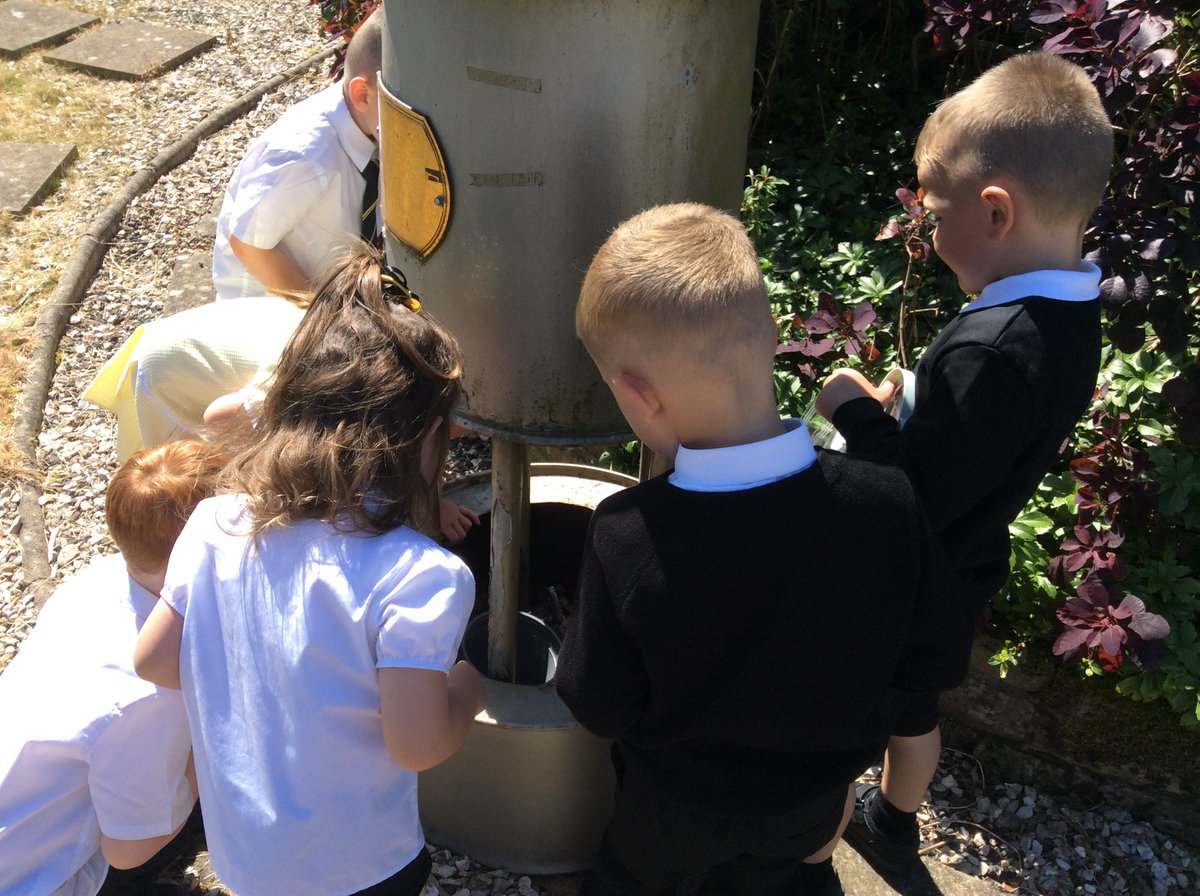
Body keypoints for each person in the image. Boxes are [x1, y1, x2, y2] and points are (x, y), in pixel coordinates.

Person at [556, 203, 959, 896]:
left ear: (636, 394)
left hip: (671, 813)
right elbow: (934, 658)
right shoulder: (886, 501)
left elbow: (598, 702)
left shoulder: (627, 535)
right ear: (772, 333)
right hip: (808, 809)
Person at [814, 51, 1112, 875]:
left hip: (905, 578)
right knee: (914, 710)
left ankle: (807, 860)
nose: (928, 233)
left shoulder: (994, 347)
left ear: (995, 212)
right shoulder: (1069, 312)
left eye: (936, 217)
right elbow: (974, 450)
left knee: (841, 730)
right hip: (965, 566)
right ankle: (893, 823)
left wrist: (853, 413)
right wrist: (914, 405)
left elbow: (912, 493)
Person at [134, 247, 486, 896]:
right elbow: (418, 745)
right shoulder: (421, 576)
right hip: (358, 869)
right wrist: (470, 688)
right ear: (434, 435)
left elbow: (154, 660)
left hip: (245, 853)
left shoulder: (214, 523)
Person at [0, 440, 226, 896]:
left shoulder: (98, 579)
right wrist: (206, 756)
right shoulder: (151, 692)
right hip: (41, 881)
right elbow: (129, 850)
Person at [212, 9, 384, 299]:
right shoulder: (304, 156)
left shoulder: (367, 122)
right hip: (271, 308)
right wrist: (320, 313)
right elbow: (248, 243)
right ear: (362, 95)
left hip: (331, 286)